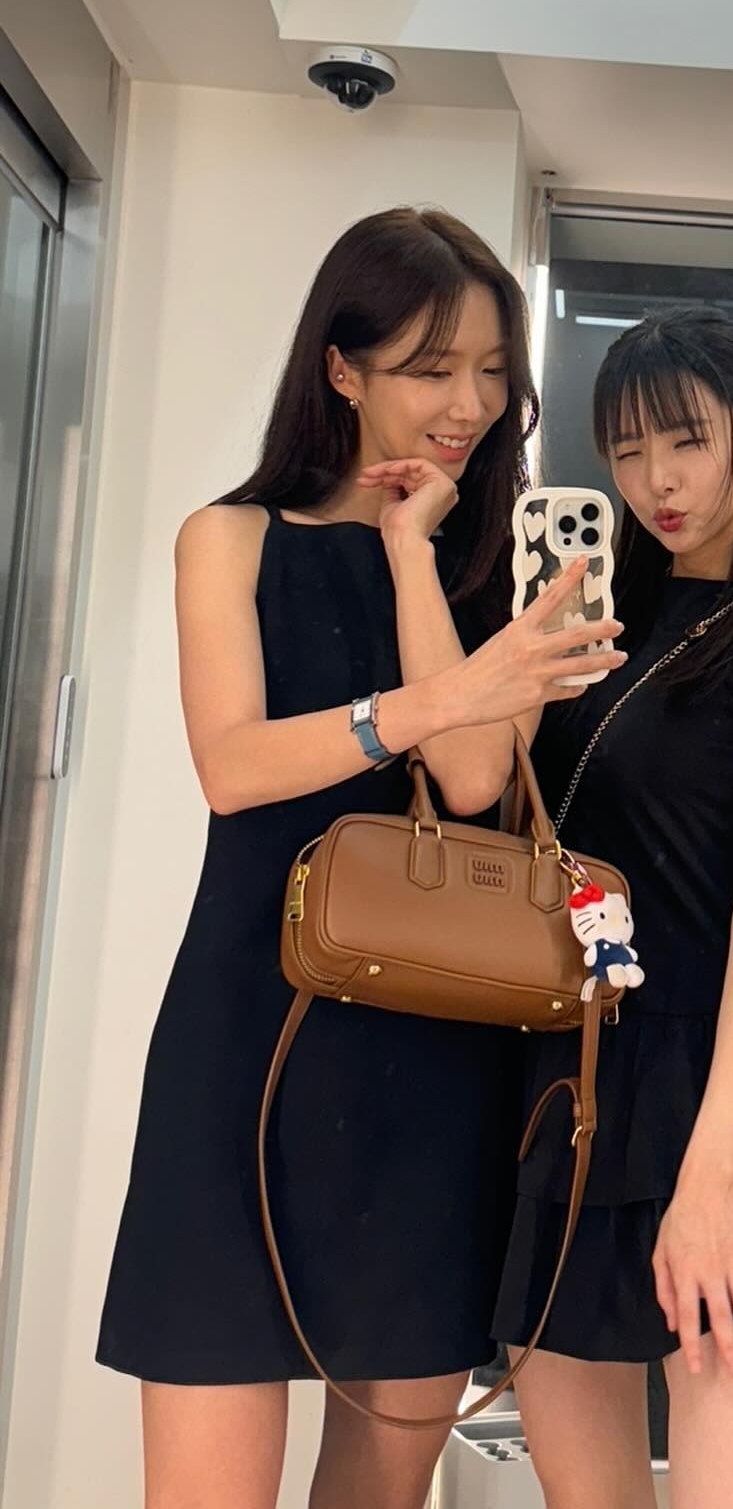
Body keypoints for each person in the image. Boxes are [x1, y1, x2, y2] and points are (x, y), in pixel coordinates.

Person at [97, 207, 624, 1509]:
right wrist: (430, 699)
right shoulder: (228, 539)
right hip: (245, 1045)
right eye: (432, 368)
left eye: (492, 371)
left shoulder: (502, 566)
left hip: (431, 1066)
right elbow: (233, 766)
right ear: (341, 368)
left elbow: (476, 779)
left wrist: (409, 554)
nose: (470, 404)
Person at [490, 307, 733, 1509]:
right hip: (566, 1085)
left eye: (687, 441)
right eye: (628, 447)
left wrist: (710, 1177)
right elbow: (494, 804)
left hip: (714, 1095)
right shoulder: (589, 623)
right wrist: (526, 645)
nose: (656, 479)